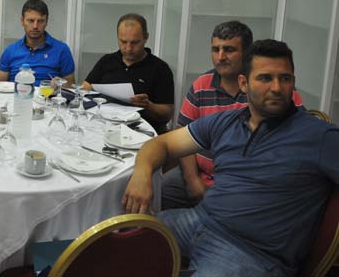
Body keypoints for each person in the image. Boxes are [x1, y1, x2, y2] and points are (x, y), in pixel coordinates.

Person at [123, 39, 339, 277]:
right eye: (265, 78)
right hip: (198, 221)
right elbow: (161, 143)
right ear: (244, 83)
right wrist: (142, 173)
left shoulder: (318, 136)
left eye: (285, 78)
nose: (277, 87)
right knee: (119, 238)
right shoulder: (226, 122)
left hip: (250, 253)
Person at [162, 20, 304, 209]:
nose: (220, 57)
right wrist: (192, 180)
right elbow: (182, 133)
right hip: (201, 174)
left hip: (248, 183)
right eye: (215, 50)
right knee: (160, 189)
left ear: (247, 53)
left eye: (229, 50)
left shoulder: (271, 91)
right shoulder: (201, 85)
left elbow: (299, 135)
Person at [82, 13, 174, 134]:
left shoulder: (160, 68)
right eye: (123, 42)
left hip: (141, 131)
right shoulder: (107, 61)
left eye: (135, 42)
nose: (128, 48)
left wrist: (148, 105)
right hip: (103, 125)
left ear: (146, 38)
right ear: (117, 37)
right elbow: (85, 87)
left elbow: (167, 113)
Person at [0, 0, 75, 86]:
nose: (35, 26)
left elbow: (70, 87)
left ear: (46, 22)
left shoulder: (62, 50)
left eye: (40, 21)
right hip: (17, 94)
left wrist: (60, 85)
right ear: (22, 21)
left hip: (47, 94)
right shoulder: (10, 51)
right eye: (31, 21)